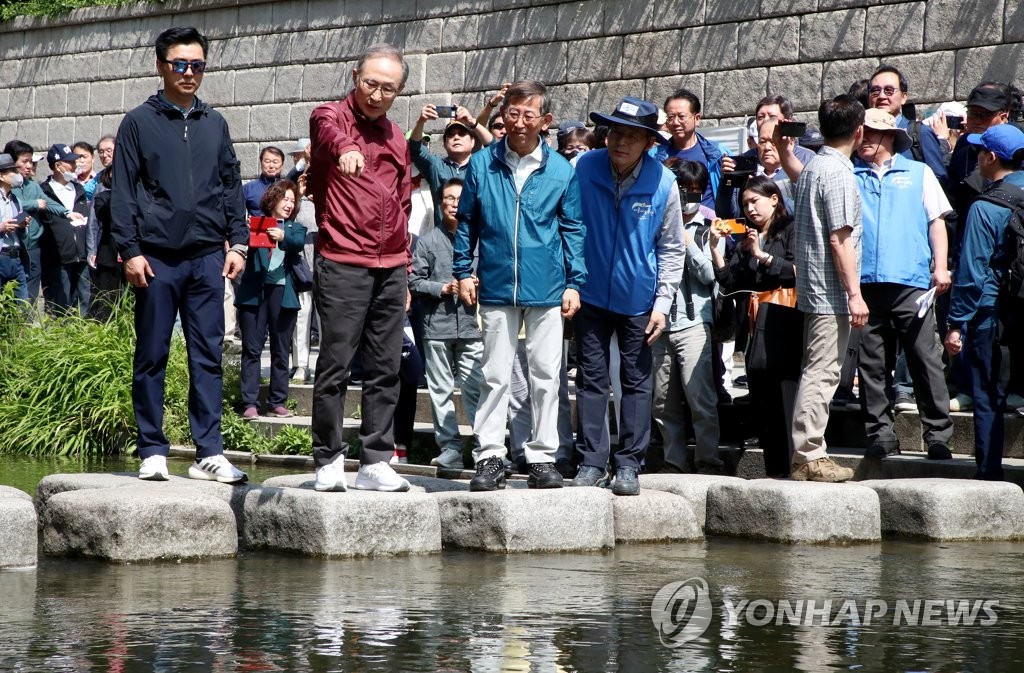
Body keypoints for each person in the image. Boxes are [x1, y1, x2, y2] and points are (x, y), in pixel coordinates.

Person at [111, 26, 249, 484]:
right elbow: (124, 191)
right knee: (151, 353)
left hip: (208, 255)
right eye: (180, 64)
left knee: (207, 354)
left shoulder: (215, 123)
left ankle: (209, 450)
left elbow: (230, 185)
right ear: (161, 66)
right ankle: (152, 448)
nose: (190, 73)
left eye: (198, 65)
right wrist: (129, 249)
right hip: (156, 257)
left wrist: (239, 241)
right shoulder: (138, 122)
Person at [452, 80, 585, 492]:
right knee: (494, 374)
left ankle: (543, 457)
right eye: (513, 113)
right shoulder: (481, 164)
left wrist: (574, 282)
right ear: (503, 116)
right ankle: (490, 455)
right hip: (493, 283)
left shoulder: (561, 170)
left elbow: (573, 229)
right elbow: (467, 223)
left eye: (529, 115)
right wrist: (462, 271)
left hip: (547, 285)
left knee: (548, 375)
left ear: (545, 121)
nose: (520, 122)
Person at [308, 43, 413, 493]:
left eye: (387, 88)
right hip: (343, 259)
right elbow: (326, 127)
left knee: (387, 366)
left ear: (398, 92)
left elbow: (405, 201)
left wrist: (405, 265)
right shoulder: (330, 117)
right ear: (355, 76)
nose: (376, 94)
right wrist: (347, 147)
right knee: (336, 363)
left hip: (391, 264)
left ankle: (375, 458)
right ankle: (328, 458)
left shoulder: (397, 138)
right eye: (371, 83)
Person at [569, 96, 684, 495]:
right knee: (591, 380)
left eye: (633, 137)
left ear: (649, 143)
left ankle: (630, 465)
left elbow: (672, 247)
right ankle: (590, 461)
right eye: (616, 132)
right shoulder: (582, 167)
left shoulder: (664, 183)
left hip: (639, 299)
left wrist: (663, 303)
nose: (621, 142)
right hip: (588, 294)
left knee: (636, 382)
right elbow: (567, 224)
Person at [851, 108, 954, 461]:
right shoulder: (850, 174)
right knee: (871, 365)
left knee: (926, 360)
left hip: (911, 283)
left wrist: (940, 267)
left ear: (890, 137)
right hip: (865, 285)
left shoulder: (918, 172)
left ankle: (938, 435)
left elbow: (936, 222)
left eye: (870, 134)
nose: (863, 140)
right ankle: (880, 434)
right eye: (860, 133)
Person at [788, 94, 867, 483]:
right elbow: (840, 239)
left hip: (816, 288)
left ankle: (807, 454)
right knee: (823, 372)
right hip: (830, 292)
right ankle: (809, 455)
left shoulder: (813, 166)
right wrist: (855, 294)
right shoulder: (836, 172)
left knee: (819, 369)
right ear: (859, 130)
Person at [945, 124, 1024, 481]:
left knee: (986, 391)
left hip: (991, 313)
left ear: (990, 157)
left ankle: (989, 471)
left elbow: (971, 272)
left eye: (979, 151)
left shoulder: (985, 206)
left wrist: (956, 323)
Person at [712, 176, 799, 477]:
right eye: (745, 203)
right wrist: (716, 250)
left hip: (785, 316)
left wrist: (763, 255)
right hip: (755, 322)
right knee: (761, 392)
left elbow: (797, 271)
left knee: (786, 392)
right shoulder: (746, 238)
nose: (749, 208)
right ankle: (775, 469)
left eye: (755, 201)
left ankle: (792, 465)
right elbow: (732, 283)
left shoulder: (790, 229)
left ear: (774, 199)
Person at [650, 160, 723, 476]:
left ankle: (707, 458)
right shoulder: (656, 221)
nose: (690, 196)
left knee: (700, 397)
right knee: (662, 400)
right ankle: (673, 461)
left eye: (697, 190)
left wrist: (689, 243)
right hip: (659, 321)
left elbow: (711, 275)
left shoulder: (708, 225)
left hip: (694, 321)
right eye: (685, 189)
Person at [409, 177, 483, 470]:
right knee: (440, 391)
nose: (454, 204)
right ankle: (450, 448)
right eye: (449, 199)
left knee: (475, 388)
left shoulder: (479, 238)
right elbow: (414, 281)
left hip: (471, 326)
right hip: (436, 326)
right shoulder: (427, 242)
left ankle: (484, 448)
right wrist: (442, 288)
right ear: (440, 204)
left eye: (459, 199)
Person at [235, 180, 306, 421]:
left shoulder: (295, 228)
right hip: (255, 293)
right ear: (272, 200)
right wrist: (249, 231)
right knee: (252, 349)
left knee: (281, 349)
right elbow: (241, 243)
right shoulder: (255, 223)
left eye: (292, 201)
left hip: (283, 293)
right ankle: (250, 403)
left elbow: (296, 243)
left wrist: (282, 235)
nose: (288, 204)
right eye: (284, 199)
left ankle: (277, 401)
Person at [409, 105, 491, 227]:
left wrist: (473, 122)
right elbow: (415, 149)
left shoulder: (483, 166)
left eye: (462, 134)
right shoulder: (436, 166)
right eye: (451, 135)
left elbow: (496, 150)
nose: (456, 137)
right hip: (444, 238)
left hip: (475, 237)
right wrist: (421, 121)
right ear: (444, 144)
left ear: (473, 141)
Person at [867, 66, 948, 188]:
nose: (882, 96)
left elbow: (939, 178)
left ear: (904, 97)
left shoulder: (921, 133)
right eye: (875, 91)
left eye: (889, 90)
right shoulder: (861, 135)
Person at [652, 88, 731, 209]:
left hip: (710, 223)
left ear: (697, 118)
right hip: (669, 222)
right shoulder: (654, 156)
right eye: (671, 117)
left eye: (681, 116)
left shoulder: (719, 152)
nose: (676, 122)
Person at [39, 144, 91, 316]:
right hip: (57, 258)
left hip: (82, 255)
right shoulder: (43, 191)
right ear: (58, 165)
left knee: (84, 300)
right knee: (60, 305)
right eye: (70, 163)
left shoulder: (78, 189)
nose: (75, 166)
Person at [0, 154, 31, 303]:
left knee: (22, 306)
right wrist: (1, 227)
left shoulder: (16, 199)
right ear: (1, 176)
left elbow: (21, 232)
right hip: (1, 255)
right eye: (12, 172)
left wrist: (22, 225)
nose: (17, 175)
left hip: (16, 258)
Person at [243, 147, 284, 216]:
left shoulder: (287, 188)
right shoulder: (248, 188)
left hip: (281, 226)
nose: (271, 166)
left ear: (282, 165)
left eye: (275, 162)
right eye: (267, 161)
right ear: (261, 163)